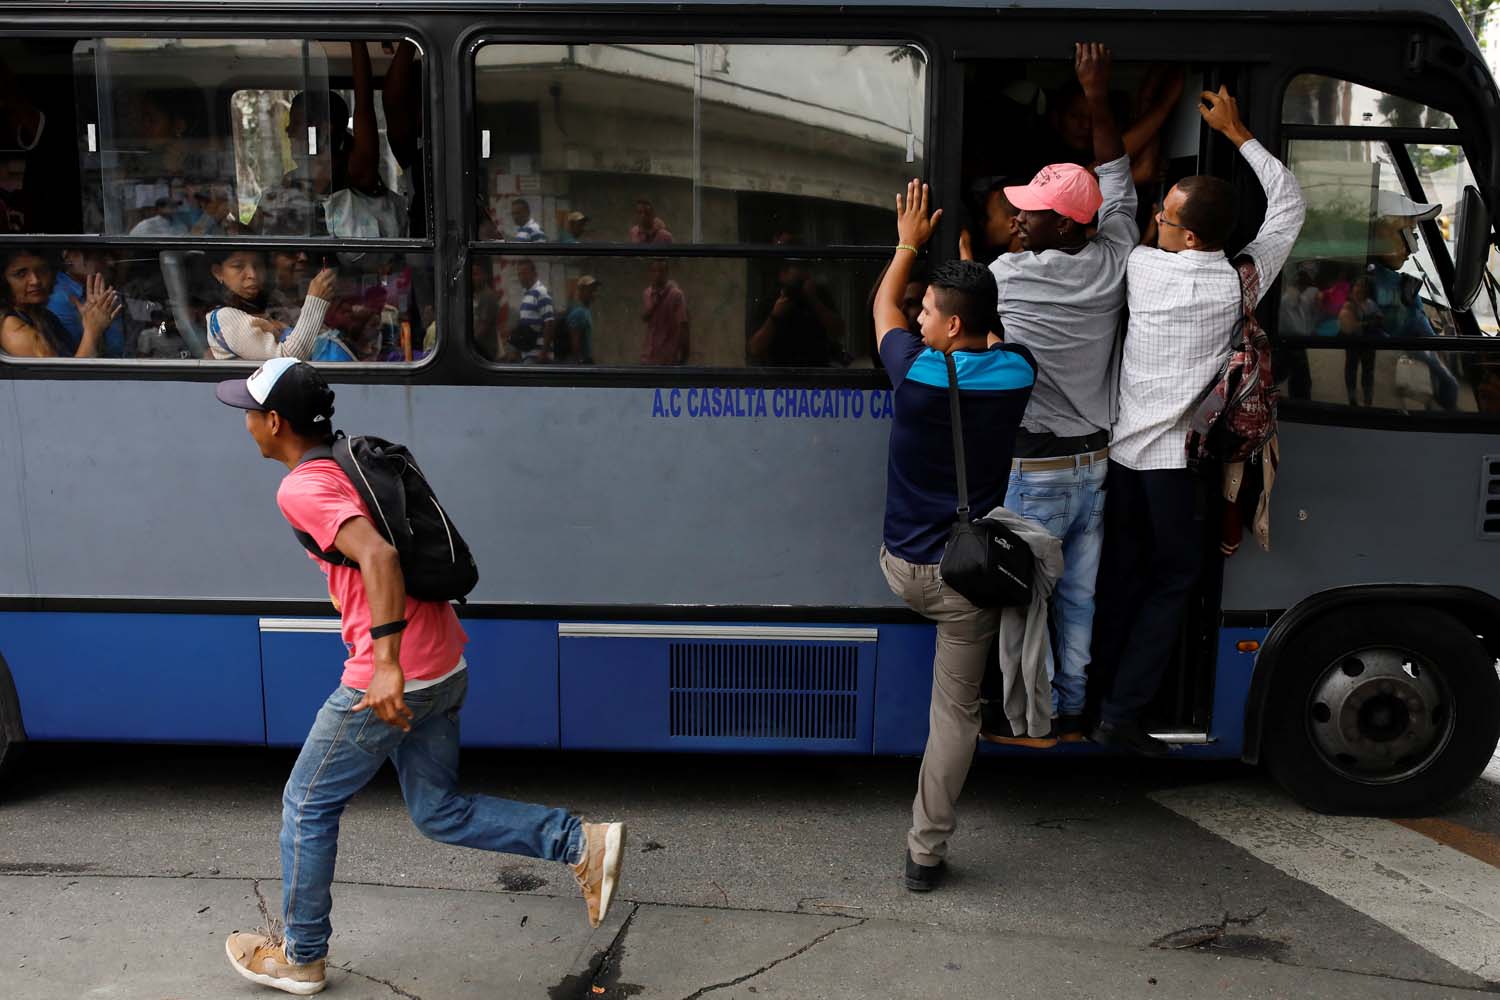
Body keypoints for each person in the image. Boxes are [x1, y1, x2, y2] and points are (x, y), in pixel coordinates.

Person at [214, 359, 624, 995]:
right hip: (446, 664)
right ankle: (579, 842)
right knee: (438, 812)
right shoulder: (349, 460)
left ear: (274, 422)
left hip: (396, 675)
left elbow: (377, 555)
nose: (244, 422)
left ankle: (301, 956)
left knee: (307, 802)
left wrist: (384, 665)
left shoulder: (302, 487)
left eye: (248, 411)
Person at [1092, 86, 1306, 756]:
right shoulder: (1239, 282)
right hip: (1180, 471)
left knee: (1120, 580)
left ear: (1184, 233)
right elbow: (1290, 204)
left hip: (1122, 462)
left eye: (1167, 212)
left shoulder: (1143, 268)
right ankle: (1121, 717)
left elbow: (1120, 201)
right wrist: (1239, 131)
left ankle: (1095, 699)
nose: (1155, 217)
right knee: (1173, 583)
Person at [874, 179, 1037, 893]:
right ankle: (925, 854)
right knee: (956, 717)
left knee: (949, 711)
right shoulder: (1017, 373)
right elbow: (995, 339)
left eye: (930, 310)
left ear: (945, 330)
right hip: (969, 579)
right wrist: (972, 283)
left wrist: (909, 242)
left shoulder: (912, 376)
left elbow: (881, 307)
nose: (917, 311)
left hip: (903, 566)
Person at [982, 43, 1136, 742]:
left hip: (1035, 472)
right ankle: (1072, 703)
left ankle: (1033, 717)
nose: (1020, 218)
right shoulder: (1116, 254)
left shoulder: (1010, 279)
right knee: (1079, 598)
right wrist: (1097, 97)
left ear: (1068, 223)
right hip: (1094, 467)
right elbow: (1117, 174)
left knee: (1028, 602)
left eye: (1034, 211)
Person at [252, 43, 405, 239]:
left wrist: (356, 40)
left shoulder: (356, 171)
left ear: (324, 128)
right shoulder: (290, 182)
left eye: (297, 123)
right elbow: (254, 235)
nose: (288, 131)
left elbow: (364, 107)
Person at [1363, 191, 1460, 410]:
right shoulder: (1374, 283)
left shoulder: (1396, 284)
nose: (1411, 247)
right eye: (1405, 233)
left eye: (1413, 235)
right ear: (1377, 233)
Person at [204, 250, 337, 361]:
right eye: (238, 266)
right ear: (218, 272)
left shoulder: (271, 302)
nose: (252, 275)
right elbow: (286, 359)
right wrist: (315, 301)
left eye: (257, 266)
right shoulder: (225, 318)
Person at [1, 247, 119, 357]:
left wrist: (94, 324)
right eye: (21, 274)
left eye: (42, 270)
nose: (35, 280)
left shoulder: (45, 317)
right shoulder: (12, 328)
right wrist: (92, 331)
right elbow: (65, 378)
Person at [747, 259, 845, 366]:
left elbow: (839, 331)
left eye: (806, 269)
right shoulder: (771, 301)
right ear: (782, 274)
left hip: (816, 372)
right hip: (780, 373)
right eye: (797, 281)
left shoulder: (818, 295)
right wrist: (775, 315)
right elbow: (755, 349)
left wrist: (814, 300)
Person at [47, 248, 126, 357]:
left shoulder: (106, 290)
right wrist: (94, 330)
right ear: (73, 257)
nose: (111, 263)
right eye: (101, 255)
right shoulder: (60, 299)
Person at [960, 177, 1025, 263]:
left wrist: (964, 245)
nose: (981, 223)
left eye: (987, 218)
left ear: (1013, 225)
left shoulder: (1015, 269)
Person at [505, 259, 555, 362]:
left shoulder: (541, 292)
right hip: (528, 353)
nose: (521, 278)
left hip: (538, 356)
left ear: (534, 274)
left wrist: (543, 353)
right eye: (519, 274)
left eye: (524, 273)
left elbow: (549, 323)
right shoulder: (527, 294)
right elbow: (526, 327)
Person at [640, 259, 688, 364]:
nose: (657, 274)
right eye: (654, 271)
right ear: (650, 273)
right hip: (648, 356)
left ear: (666, 273)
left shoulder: (676, 295)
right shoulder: (647, 293)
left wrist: (683, 357)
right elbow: (645, 317)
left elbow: (683, 326)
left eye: (661, 271)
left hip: (667, 358)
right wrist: (654, 304)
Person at [562, 274, 599, 364]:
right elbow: (575, 342)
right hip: (580, 363)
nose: (594, 293)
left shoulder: (585, 310)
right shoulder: (579, 312)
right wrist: (580, 363)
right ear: (581, 290)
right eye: (590, 290)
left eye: (595, 290)